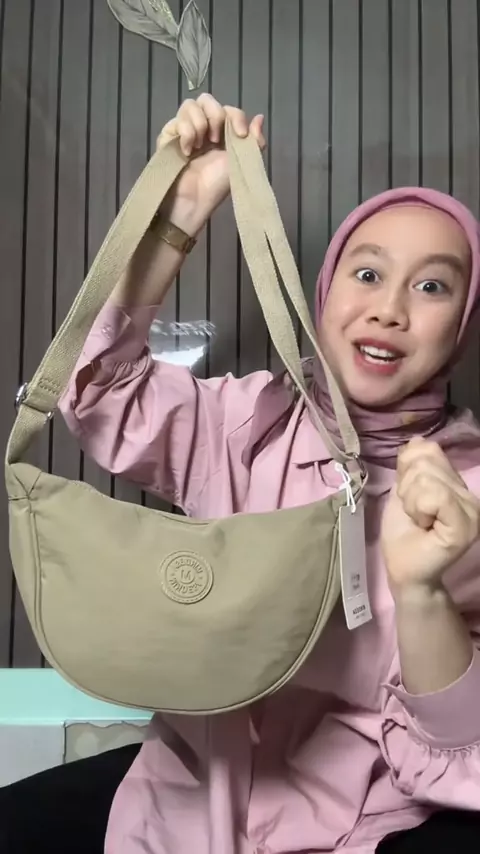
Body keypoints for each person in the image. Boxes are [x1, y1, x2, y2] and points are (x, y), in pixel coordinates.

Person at [2, 94, 480, 854]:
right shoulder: (246, 424)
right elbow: (97, 392)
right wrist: (183, 210)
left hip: (372, 824)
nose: (389, 309)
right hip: (181, 806)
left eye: (432, 286)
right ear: (325, 292)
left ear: (462, 326)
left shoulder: (466, 496)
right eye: (367, 272)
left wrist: (422, 591)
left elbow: (462, 759)